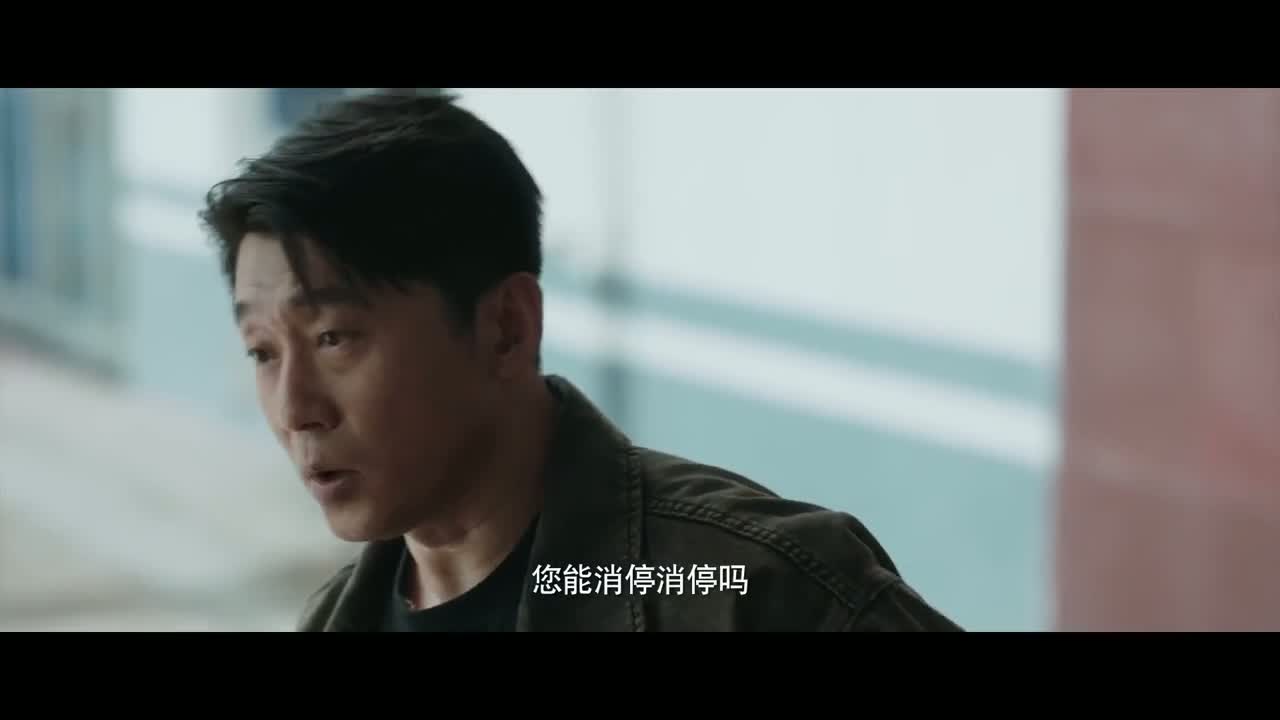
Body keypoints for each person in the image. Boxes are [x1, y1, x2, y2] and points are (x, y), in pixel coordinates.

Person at [198, 89, 962, 632]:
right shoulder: (337, 618)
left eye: (333, 338)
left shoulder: (746, 588)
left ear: (506, 327)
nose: (295, 409)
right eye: (262, 351)